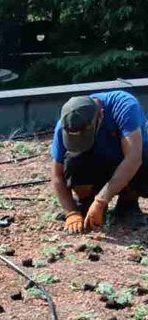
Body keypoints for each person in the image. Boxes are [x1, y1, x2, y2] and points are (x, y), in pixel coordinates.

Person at [51, 90, 148, 234]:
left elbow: (133, 159)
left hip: (125, 160)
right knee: (73, 159)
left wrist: (101, 201)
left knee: (144, 155)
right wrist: (71, 211)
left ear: (101, 115)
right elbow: (57, 175)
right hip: (95, 162)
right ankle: (85, 204)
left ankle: (127, 205)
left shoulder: (124, 106)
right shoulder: (64, 125)